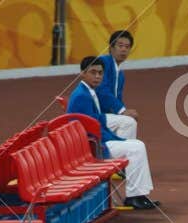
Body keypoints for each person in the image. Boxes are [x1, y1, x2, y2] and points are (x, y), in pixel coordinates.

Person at [67, 57, 158, 211]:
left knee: (136, 146)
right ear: (83, 73)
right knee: (136, 147)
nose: (97, 76)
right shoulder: (82, 96)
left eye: (100, 73)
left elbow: (96, 121)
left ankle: (138, 195)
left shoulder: (87, 91)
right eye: (93, 72)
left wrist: (117, 139)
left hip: (92, 142)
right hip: (91, 147)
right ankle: (135, 196)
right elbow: (93, 129)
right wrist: (118, 140)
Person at [96, 31, 139, 140]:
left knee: (128, 120)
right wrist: (122, 111)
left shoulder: (120, 75)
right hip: (94, 114)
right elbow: (101, 90)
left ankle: (122, 152)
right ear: (111, 48)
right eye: (120, 46)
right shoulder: (102, 62)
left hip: (105, 115)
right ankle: (120, 154)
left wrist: (122, 112)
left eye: (127, 47)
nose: (124, 49)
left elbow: (117, 99)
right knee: (129, 123)